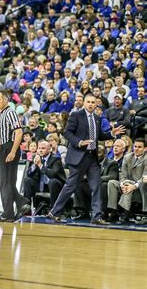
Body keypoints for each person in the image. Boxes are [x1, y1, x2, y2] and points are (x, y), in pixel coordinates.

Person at [48, 94, 125, 224]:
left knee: (96, 186)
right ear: (84, 103)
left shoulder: (97, 117)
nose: (90, 104)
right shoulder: (76, 115)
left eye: (93, 102)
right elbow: (67, 133)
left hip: (92, 157)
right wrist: (79, 142)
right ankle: (54, 211)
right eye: (88, 102)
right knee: (71, 186)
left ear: (96, 104)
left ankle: (96, 216)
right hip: (78, 156)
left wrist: (111, 134)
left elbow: (99, 136)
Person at [0, 90, 31, 222]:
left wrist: (12, 151)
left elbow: (19, 133)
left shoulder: (10, 113)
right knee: (1, 179)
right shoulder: (3, 114)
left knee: (6, 181)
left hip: (10, 148)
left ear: (6, 100)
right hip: (5, 147)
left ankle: (8, 213)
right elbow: (4, 136)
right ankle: (20, 202)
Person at [73, 144, 118, 220]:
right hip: (92, 188)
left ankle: (103, 212)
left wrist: (95, 179)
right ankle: (82, 211)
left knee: (103, 185)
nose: (96, 155)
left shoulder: (111, 163)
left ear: (105, 154)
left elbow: (112, 176)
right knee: (79, 184)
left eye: (99, 153)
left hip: (104, 189)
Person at [106, 139, 146, 223]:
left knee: (129, 184)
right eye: (135, 146)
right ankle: (113, 210)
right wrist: (122, 184)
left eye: (139, 147)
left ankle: (125, 213)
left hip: (139, 188)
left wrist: (133, 186)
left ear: (145, 149)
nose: (136, 149)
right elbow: (122, 175)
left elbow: (145, 177)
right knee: (112, 183)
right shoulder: (127, 157)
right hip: (126, 186)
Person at [23, 140, 65, 210]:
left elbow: (52, 174)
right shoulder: (36, 157)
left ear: (49, 149)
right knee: (27, 180)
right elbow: (28, 174)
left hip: (56, 186)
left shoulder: (56, 159)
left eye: (43, 148)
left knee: (52, 181)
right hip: (41, 185)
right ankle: (27, 207)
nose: (40, 150)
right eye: (39, 148)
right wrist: (35, 165)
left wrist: (40, 165)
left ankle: (54, 210)